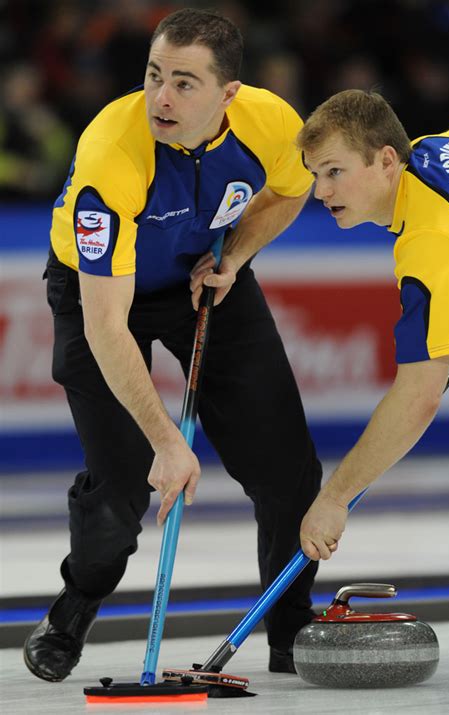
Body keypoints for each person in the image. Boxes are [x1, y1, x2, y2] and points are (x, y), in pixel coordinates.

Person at [23, 8, 322, 682]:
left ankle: (290, 627)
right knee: (120, 488)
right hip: (99, 294)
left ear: (228, 94)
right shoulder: (111, 153)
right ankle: (76, 604)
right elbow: (105, 324)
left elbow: (291, 187)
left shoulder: (271, 121)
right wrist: (166, 441)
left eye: (185, 83)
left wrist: (236, 256)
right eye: (156, 75)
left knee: (288, 469)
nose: (161, 97)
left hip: (201, 275)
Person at [296, 89, 449, 561]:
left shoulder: (431, 243)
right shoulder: (439, 146)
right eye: (315, 175)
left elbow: (418, 397)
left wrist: (334, 498)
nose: (321, 192)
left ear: (387, 159)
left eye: (335, 172)